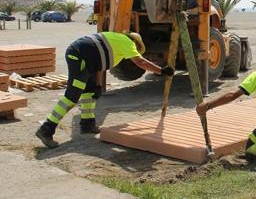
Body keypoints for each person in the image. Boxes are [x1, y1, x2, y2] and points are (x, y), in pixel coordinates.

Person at [35, 31, 175, 148]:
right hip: (79, 56)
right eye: (137, 51)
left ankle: (87, 124)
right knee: (72, 96)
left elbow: (99, 64)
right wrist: (162, 71)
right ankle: (46, 129)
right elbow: (140, 62)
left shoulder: (116, 40)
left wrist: (97, 85)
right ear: (136, 44)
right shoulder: (128, 43)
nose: (134, 54)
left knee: (90, 92)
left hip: (84, 57)